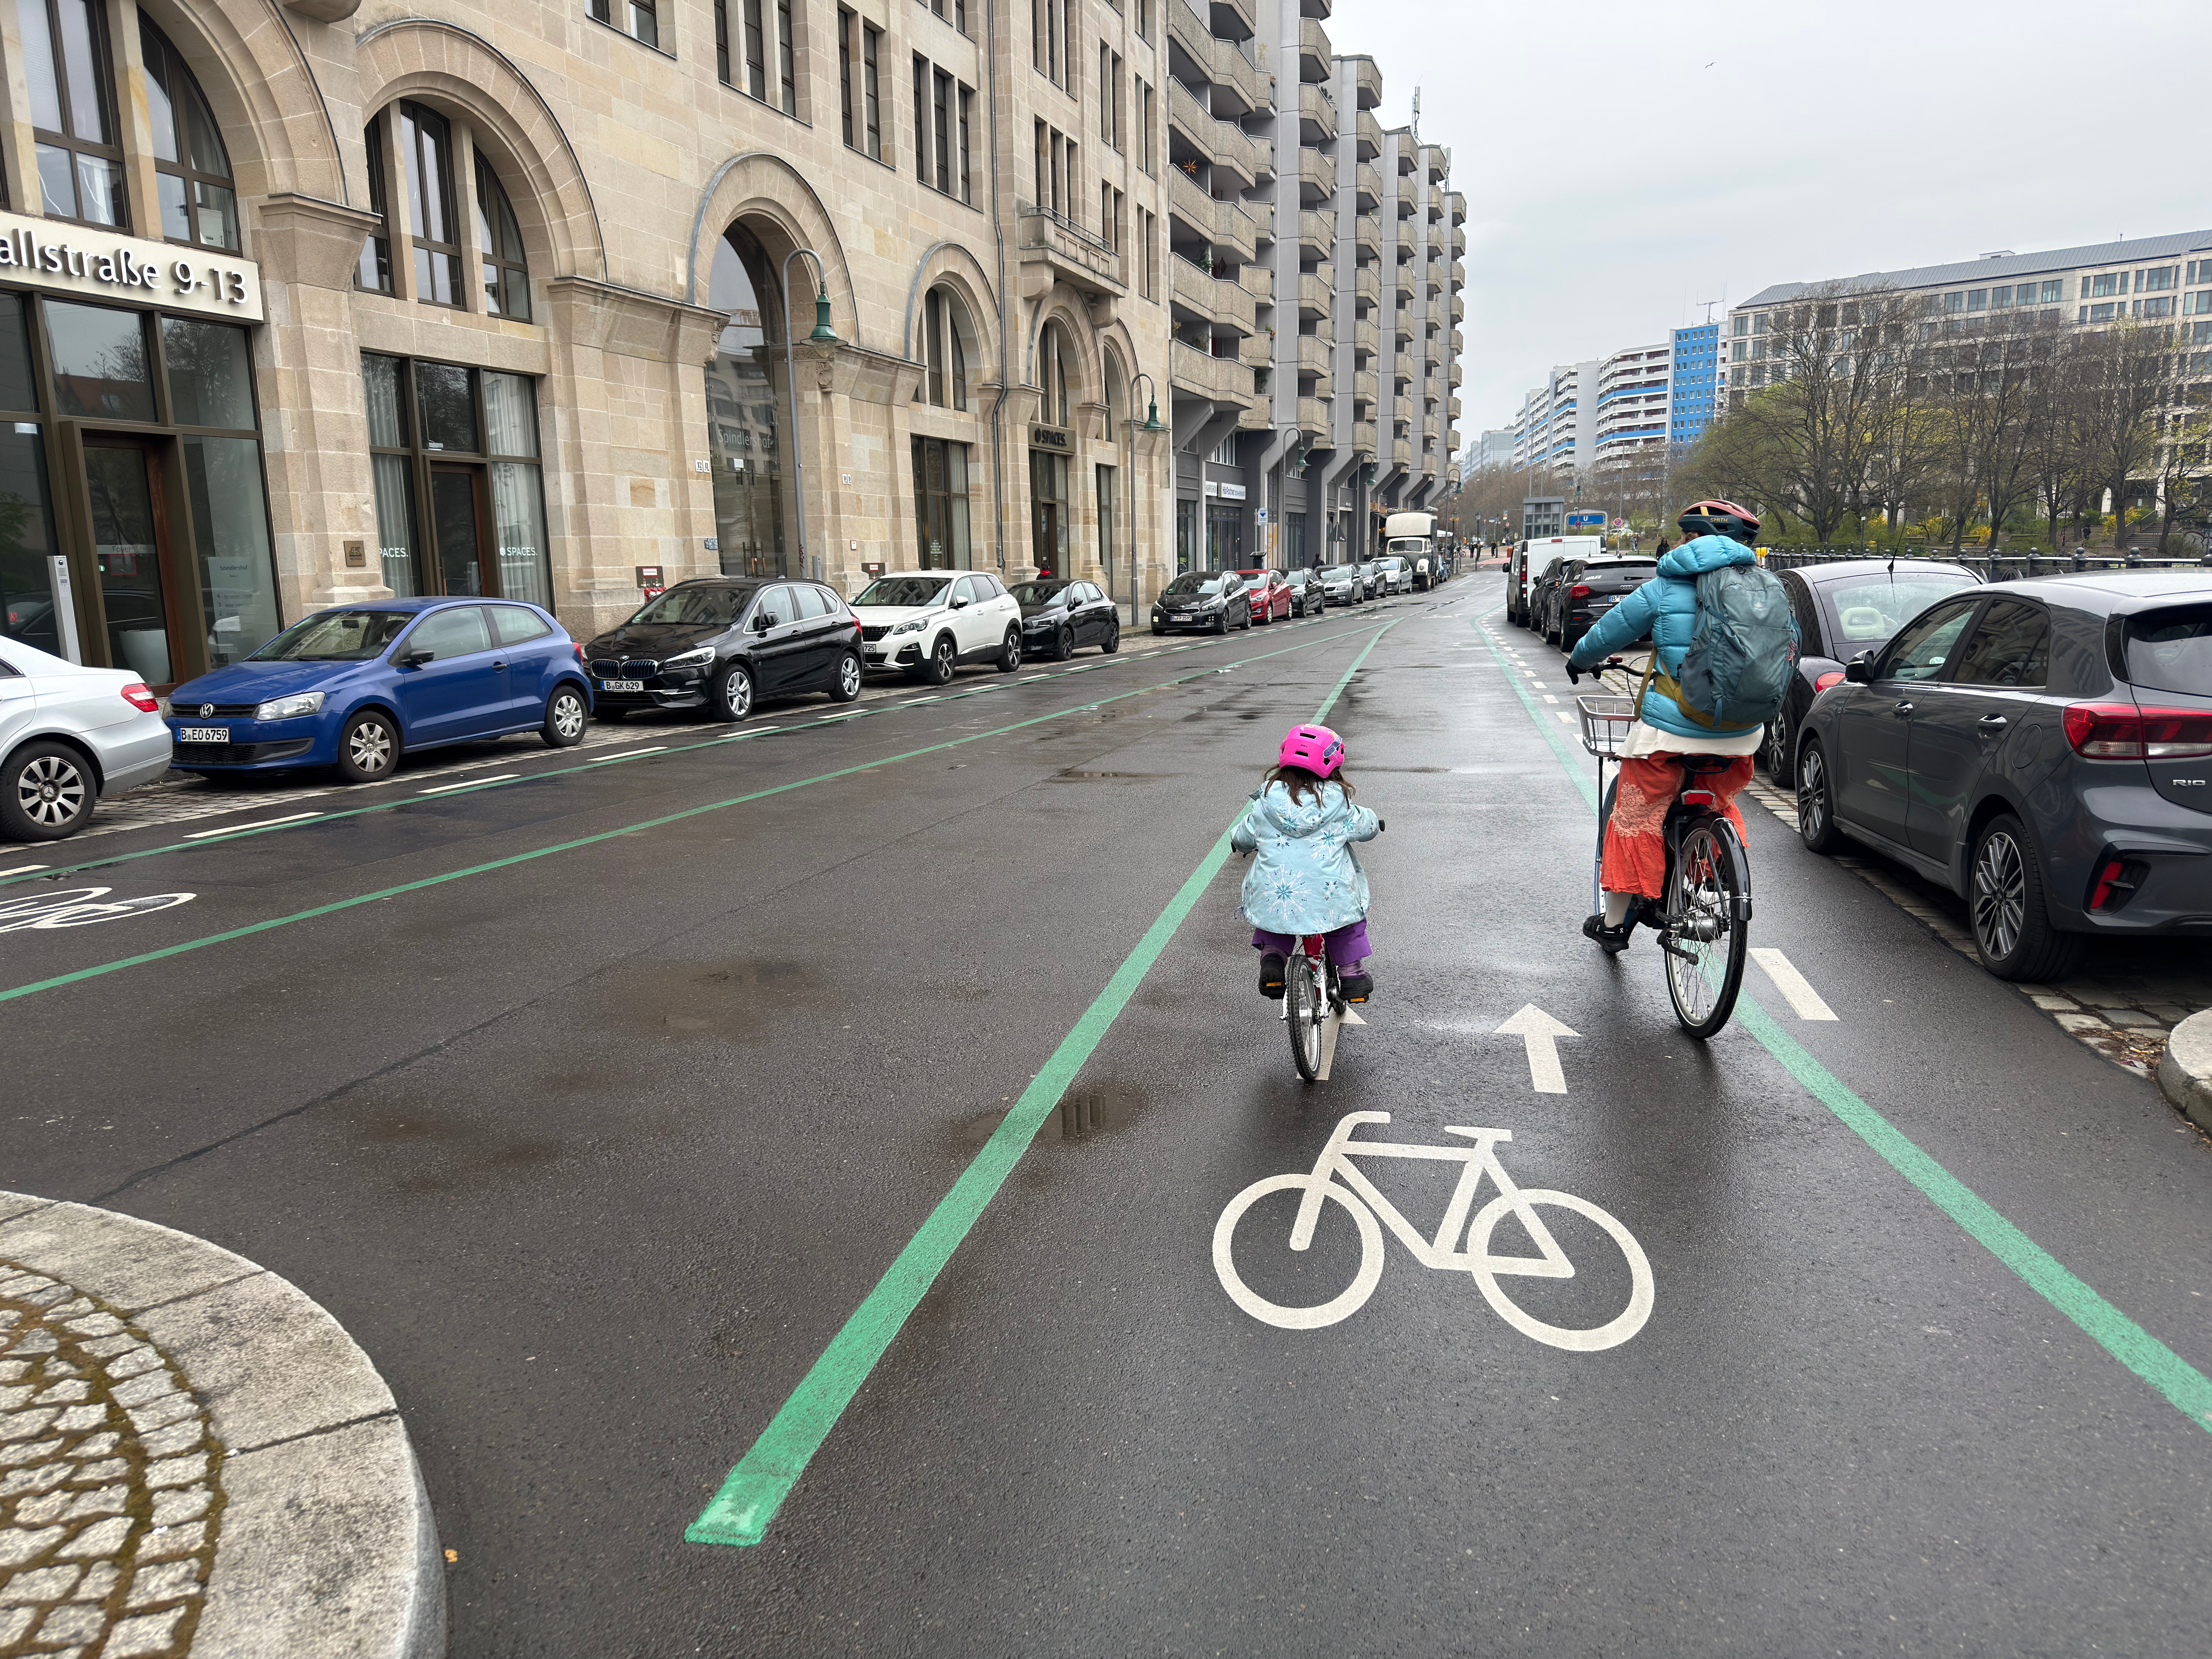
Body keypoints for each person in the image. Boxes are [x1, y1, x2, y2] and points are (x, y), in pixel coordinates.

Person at [1564, 500, 1774, 953]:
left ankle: (1614, 922)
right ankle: (1716, 872)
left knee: (1633, 814)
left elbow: (1608, 633)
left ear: (1689, 540)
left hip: (1668, 733)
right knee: (1716, 799)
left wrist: (1579, 660)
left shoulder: (1665, 585)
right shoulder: (1766, 588)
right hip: (1740, 735)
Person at [1232, 724, 1381, 1002]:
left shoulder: (1265, 803)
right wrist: (1377, 823)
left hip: (1278, 893)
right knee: (1344, 920)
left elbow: (1243, 836)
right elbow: (1367, 827)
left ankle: (1274, 961)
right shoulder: (1340, 803)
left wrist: (1238, 844)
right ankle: (1352, 976)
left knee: (1275, 918)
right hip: (1329, 894)